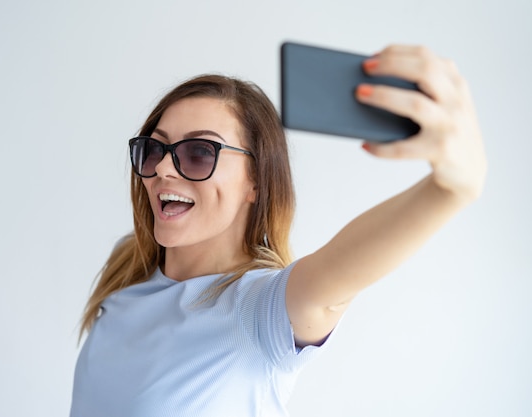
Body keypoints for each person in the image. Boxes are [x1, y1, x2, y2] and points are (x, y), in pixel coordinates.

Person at [69, 45, 486, 417]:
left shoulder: (258, 310)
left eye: (199, 153)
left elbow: (336, 278)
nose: (161, 168)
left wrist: (449, 190)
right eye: (154, 148)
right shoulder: (128, 268)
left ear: (256, 181)